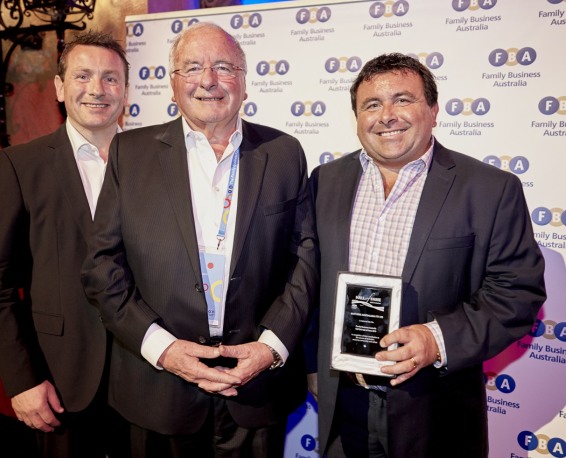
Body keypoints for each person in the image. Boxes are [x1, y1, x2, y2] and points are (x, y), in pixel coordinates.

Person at [80, 22, 318, 458]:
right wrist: (164, 349)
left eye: (224, 67)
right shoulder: (129, 153)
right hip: (157, 389)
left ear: (244, 82)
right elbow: (101, 267)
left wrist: (270, 348)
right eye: (193, 67)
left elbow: (304, 262)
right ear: (173, 84)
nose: (208, 79)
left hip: (256, 387)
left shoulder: (284, 152)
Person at [308, 53, 546, 458]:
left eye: (403, 100)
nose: (387, 115)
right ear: (357, 117)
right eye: (372, 104)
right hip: (343, 404)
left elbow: (517, 295)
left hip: (434, 410)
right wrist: (312, 366)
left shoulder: (489, 189)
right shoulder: (324, 181)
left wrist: (435, 340)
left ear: (433, 110)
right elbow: (306, 280)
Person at [0, 30, 130, 457]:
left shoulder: (153, 162)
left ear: (126, 90)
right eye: (82, 76)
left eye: (110, 78)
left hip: (146, 379)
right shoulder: (20, 166)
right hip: (60, 377)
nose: (97, 90)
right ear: (60, 88)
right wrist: (22, 379)